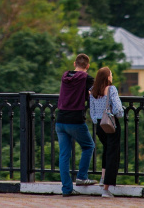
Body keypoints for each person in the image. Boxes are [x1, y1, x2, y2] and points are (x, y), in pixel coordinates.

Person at [56, 53, 97, 196]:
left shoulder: (65, 76)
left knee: (64, 155)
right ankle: (82, 177)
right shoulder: (87, 78)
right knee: (88, 146)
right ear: (87, 66)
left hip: (60, 119)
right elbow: (98, 91)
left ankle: (66, 189)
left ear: (74, 64)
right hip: (75, 119)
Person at [90, 67, 124, 198]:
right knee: (112, 154)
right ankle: (106, 188)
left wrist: (97, 120)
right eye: (111, 74)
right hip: (111, 125)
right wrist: (121, 113)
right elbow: (118, 109)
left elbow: (92, 112)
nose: (112, 76)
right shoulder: (111, 89)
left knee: (106, 150)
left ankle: (102, 178)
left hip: (100, 125)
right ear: (107, 77)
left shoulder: (93, 91)